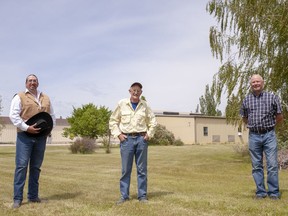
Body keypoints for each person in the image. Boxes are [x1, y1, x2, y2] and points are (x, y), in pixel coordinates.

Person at [9, 74, 56, 208]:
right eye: (30, 81)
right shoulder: (19, 96)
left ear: (38, 83)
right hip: (25, 136)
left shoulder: (45, 97)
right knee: (21, 167)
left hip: (41, 137)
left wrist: (49, 130)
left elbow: (52, 115)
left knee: (36, 167)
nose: (32, 83)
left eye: (34, 81)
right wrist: (26, 128)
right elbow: (13, 116)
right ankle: (17, 199)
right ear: (26, 83)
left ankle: (33, 196)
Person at [109, 82, 157, 204]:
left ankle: (142, 196)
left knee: (142, 170)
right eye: (133, 90)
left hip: (141, 140)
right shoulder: (122, 104)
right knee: (126, 169)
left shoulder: (145, 105)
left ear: (141, 93)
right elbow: (113, 120)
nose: (136, 92)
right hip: (127, 141)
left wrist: (149, 134)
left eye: (138, 90)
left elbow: (153, 121)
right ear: (129, 91)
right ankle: (124, 196)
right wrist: (119, 135)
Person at [240, 74, 283, 200]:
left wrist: (270, 126)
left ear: (262, 83)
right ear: (250, 84)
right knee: (256, 166)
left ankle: (274, 193)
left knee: (272, 165)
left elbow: (279, 116)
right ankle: (260, 192)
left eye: (258, 81)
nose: (256, 84)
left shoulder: (272, 97)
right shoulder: (246, 100)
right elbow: (244, 118)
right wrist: (254, 126)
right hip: (254, 136)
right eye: (253, 82)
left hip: (269, 135)